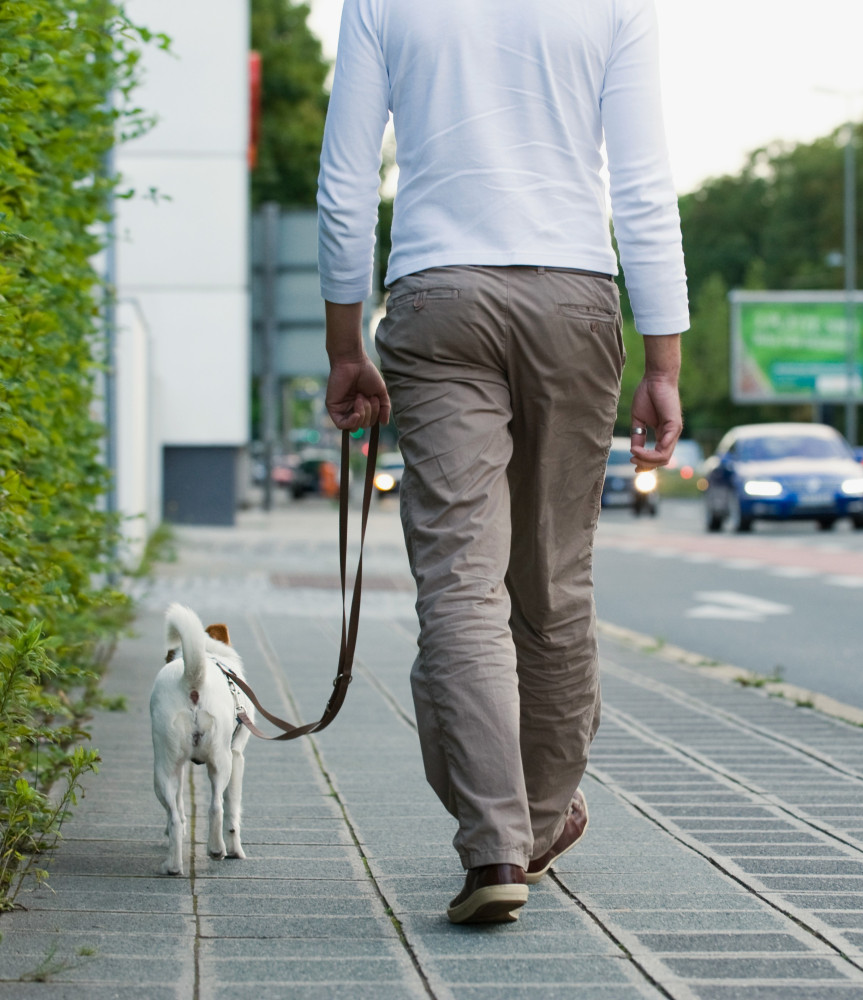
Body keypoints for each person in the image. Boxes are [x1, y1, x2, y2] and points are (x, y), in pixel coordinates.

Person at [318, 0, 689, 924]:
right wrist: (665, 361)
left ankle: (495, 849)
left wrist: (342, 344)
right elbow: (643, 184)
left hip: (437, 298)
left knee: (460, 585)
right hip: (576, 295)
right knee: (556, 583)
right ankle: (536, 820)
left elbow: (346, 180)